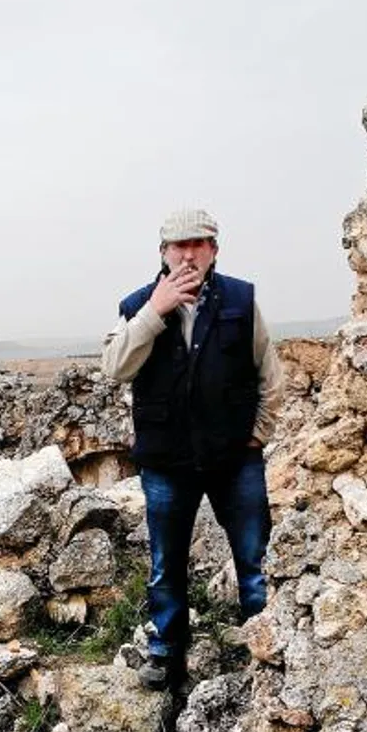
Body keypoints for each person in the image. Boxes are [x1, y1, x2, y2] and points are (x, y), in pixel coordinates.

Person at [100, 208, 284, 691]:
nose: (188, 254)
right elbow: (115, 366)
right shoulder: (138, 305)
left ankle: (264, 643)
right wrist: (155, 311)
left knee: (254, 555)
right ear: (162, 253)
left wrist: (257, 434)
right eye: (178, 246)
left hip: (234, 458)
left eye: (198, 244)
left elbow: (270, 373)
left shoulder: (242, 300)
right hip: (166, 463)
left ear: (214, 251)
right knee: (166, 563)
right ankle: (166, 649)